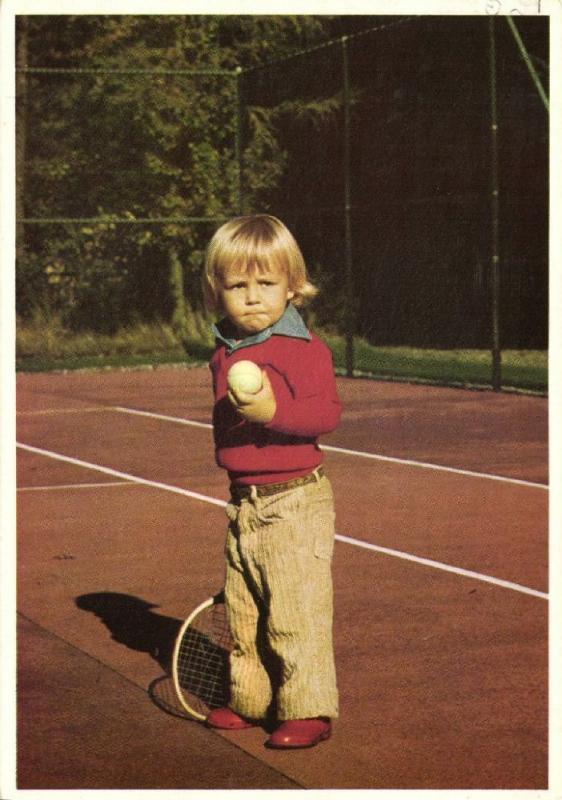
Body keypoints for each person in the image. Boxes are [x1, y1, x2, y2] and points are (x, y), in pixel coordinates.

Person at [202, 213, 341, 749]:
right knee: (245, 612)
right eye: (239, 285)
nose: (253, 297)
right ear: (219, 290)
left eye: (266, 284)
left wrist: (269, 408)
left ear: (293, 286)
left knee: (294, 610)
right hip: (244, 503)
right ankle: (251, 700)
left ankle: (308, 708)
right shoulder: (225, 351)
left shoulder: (303, 348)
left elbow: (324, 414)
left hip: (295, 502)